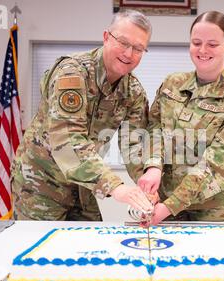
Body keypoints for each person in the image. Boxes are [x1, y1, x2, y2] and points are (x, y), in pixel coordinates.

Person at [11, 10, 155, 221]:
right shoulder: (72, 73)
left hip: (83, 184)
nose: (129, 53)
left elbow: (135, 144)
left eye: (138, 48)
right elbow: (67, 141)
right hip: (41, 182)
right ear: (106, 37)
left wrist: (147, 181)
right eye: (123, 43)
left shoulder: (133, 91)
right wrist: (117, 187)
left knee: (90, 245)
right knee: (40, 249)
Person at [138, 11, 224, 225]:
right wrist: (153, 168)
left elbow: (217, 165)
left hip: (219, 212)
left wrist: (169, 206)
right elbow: (154, 129)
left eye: (212, 44)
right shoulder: (172, 84)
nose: (203, 50)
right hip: (167, 206)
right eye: (196, 42)